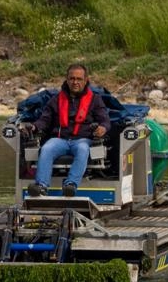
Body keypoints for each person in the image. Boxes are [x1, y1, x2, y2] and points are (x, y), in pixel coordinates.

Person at [26, 63, 110, 197]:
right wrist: (34, 127)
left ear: (86, 80)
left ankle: (70, 185)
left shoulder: (95, 100)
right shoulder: (56, 100)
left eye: (79, 79)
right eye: (72, 79)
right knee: (47, 148)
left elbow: (105, 121)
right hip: (60, 140)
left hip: (83, 140)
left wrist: (103, 128)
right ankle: (41, 186)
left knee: (83, 149)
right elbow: (44, 120)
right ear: (67, 79)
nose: (75, 82)